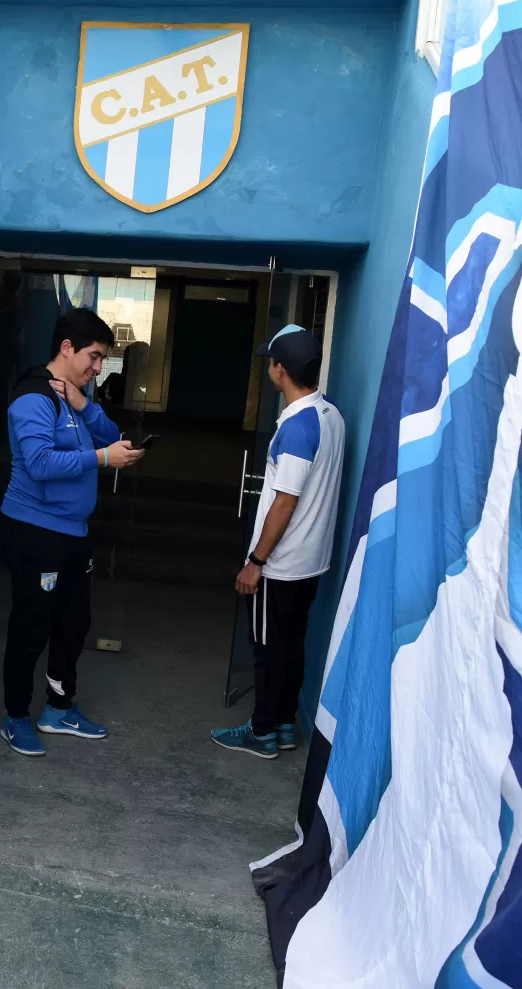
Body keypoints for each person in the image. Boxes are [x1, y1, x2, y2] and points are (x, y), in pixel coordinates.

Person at [0, 309, 145, 757]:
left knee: (74, 622)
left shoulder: (73, 397)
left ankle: (58, 708)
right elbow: (40, 464)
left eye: (102, 359)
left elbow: (112, 432)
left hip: (73, 532)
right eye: (94, 357)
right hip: (34, 530)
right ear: (67, 348)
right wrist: (103, 460)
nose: (98, 367)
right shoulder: (32, 397)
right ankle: (15, 716)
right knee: (31, 626)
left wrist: (83, 405)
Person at [211, 324, 345, 759]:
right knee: (290, 645)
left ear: (279, 369)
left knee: (267, 651)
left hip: (280, 566)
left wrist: (255, 561)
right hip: (311, 563)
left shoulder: (298, 428)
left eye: (271, 360)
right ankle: (285, 724)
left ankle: (263, 732)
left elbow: (285, 501)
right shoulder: (330, 415)